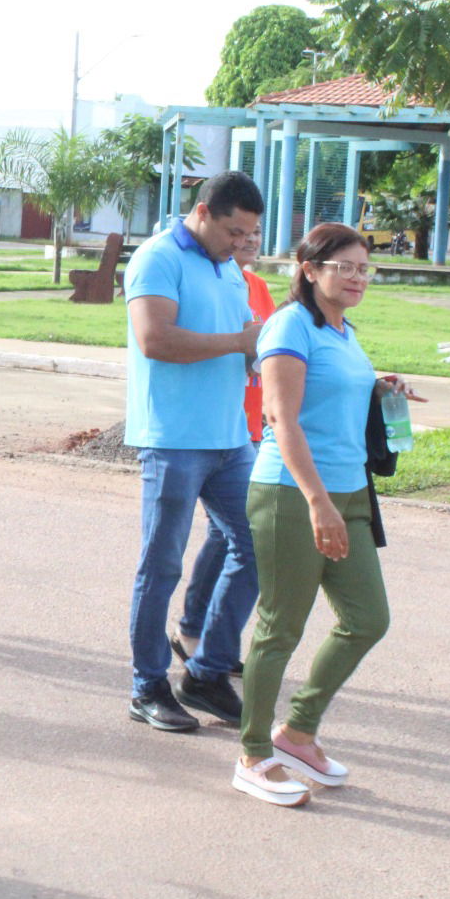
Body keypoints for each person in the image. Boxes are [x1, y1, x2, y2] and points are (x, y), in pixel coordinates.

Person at [233, 222, 419, 807]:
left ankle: (298, 731)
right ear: (309, 269)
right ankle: (254, 754)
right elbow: (282, 421)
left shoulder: (342, 329)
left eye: (366, 268)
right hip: (293, 494)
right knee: (280, 627)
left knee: (367, 618)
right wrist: (317, 503)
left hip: (349, 492)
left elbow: (330, 392)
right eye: (346, 267)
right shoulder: (289, 326)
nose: (359, 277)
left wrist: (377, 385)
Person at [123, 171, 265, 732]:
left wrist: (261, 350)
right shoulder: (158, 258)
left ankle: (205, 674)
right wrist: (238, 342)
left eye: (249, 234)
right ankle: (146, 685)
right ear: (203, 212)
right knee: (161, 565)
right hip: (173, 440)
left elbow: (240, 345)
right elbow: (155, 340)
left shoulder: (226, 267)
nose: (240, 244)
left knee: (258, 544)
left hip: (231, 438)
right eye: (234, 231)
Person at [171, 227, 275, 674]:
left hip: (251, 424)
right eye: (241, 232)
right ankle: (195, 631)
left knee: (236, 535)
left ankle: (208, 642)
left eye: (256, 233)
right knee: (226, 533)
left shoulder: (257, 287)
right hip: (214, 424)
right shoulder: (207, 280)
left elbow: (268, 351)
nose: (250, 240)